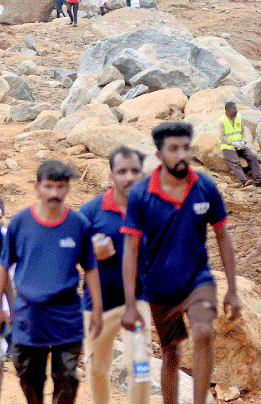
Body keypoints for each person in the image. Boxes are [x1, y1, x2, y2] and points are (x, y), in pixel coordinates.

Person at [121, 122, 241, 404]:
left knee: (203, 332)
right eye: (173, 149)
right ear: (158, 154)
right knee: (171, 353)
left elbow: (223, 237)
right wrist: (130, 304)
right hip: (159, 286)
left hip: (198, 280)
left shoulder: (205, 187)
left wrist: (233, 290)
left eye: (186, 147)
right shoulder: (141, 194)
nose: (182, 155)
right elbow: (130, 250)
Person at [0, 161, 102, 404]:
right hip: (29, 313)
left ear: (68, 188)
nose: (54, 193)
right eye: (49, 186)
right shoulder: (20, 223)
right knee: (28, 374)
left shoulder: (79, 224)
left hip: (66, 313)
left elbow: (91, 268)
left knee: (68, 377)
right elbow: (3, 266)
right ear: (37, 187)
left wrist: (97, 308)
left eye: (60, 187)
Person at [79, 147, 151, 404]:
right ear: (111, 175)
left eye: (134, 171)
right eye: (122, 171)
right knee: (96, 370)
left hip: (139, 301)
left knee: (141, 367)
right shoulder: (91, 211)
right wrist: (92, 253)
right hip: (98, 304)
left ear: (143, 174)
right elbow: (71, 255)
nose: (129, 177)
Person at [219, 101, 260, 186]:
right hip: (228, 146)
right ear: (228, 110)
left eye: (236, 108)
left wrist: (243, 141)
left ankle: (258, 180)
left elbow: (243, 131)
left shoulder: (239, 118)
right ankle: (245, 181)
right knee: (235, 162)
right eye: (234, 108)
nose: (236, 110)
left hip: (240, 145)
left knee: (252, 157)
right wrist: (232, 143)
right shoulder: (222, 120)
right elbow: (221, 136)